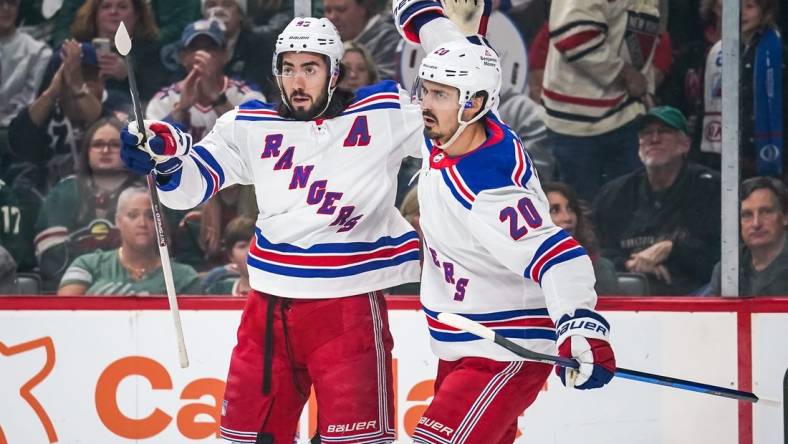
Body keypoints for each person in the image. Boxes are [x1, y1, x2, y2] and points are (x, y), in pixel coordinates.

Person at [120, 15, 433, 443]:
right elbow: (189, 185)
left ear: (334, 72)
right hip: (268, 310)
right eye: (288, 68)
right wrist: (164, 157)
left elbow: (456, 129)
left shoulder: (384, 114)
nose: (297, 81)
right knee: (248, 438)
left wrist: (451, 39)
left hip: (348, 308)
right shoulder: (249, 125)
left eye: (310, 68)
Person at [392, 3, 616, 442]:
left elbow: (559, 255)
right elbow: (451, 45)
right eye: (425, 90)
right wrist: (421, 15)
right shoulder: (463, 119)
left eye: (438, 95)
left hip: (504, 346)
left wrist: (580, 324)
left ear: (474, 104)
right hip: (467, 340)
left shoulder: (488, 188)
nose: (424, 104)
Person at [541, 0, 661, 202]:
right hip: (575, 121)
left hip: (626, 111)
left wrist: (646, 92)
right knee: (584, 214)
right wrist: (624, 73)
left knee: (632, 209)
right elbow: (572, 38)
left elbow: (640, 37)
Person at [594, 106, 721, 295]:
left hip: (695, 294)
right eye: (646, 133)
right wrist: (632, 265)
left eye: (664, 132)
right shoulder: (614, 193)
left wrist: (672, 248)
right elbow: (598, 250)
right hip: (628, 292)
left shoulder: (711, 187)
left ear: (685, 144)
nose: (654, 139)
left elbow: (720, 254)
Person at [7, 41, 131, 191]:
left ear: (102, 80)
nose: (76, 83)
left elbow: (120, 137)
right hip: (54, 198)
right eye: (68, 78)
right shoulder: (47, 111)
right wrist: (51, 93)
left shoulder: (119, 103)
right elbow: (17, 141)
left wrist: (78, 86)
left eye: (88, 78)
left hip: (110, 193)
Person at [34, 117, 141, 290]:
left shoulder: (145, 193)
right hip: (72, 289)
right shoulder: (64, 192)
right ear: (87, 152)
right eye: (98, 144)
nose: (105, 150)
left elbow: (157, 251)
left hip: (136, 288)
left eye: (114, 145)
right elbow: (50, 255)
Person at [58, 186, 201, 295]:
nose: (142, 223)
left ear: (161, 222)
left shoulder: (184, 277)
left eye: (151, 216)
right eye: (133, 215)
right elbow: (63, 317)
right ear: (118, 221)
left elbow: (195, 326)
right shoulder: (87, 265)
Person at [146, 19, 265, 141]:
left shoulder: (247, 96)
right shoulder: (163, 100)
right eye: (194, 48)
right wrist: (181, 109)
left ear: (225, 55)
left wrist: (218, 98)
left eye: (210, 48)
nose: (202, 54)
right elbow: (152, 148)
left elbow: (256, 143)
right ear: (183, 57)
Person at [709, 176, 788, 296]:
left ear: (785, 217)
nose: (756, 224)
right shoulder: (728, 267)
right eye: (747, 215)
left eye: (766, 212)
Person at [542, 182, 618, 294]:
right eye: (555, 210)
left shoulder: (600, 268)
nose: (567, 218)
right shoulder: (522, 269)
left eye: (570, 209)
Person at [0, 0, 53, 126]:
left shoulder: (38, 52)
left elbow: (26, 106)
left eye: (11, 3)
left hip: (13, 132)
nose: (6, 8)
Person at [324, 0, 400, 79]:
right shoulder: (327, 44)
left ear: (363, 8)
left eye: (341, 9)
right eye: (327, 10)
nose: (332, 17)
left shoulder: (390, 40)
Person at [202, 214, 255, 295]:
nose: (250, 251)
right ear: (230, 255)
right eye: (242, 246)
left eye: (255, 245)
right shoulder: (217, 291)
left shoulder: (278, 294)